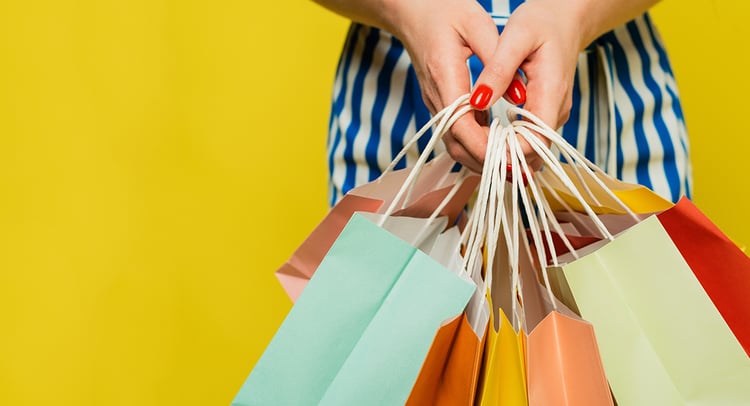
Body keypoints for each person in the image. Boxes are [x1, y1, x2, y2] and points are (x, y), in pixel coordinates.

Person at [315, 0, 691, 206]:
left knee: (625, 337)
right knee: (395, 342)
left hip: (609, 95)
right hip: (394, 99)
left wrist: (574, 13)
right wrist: (411, 9)